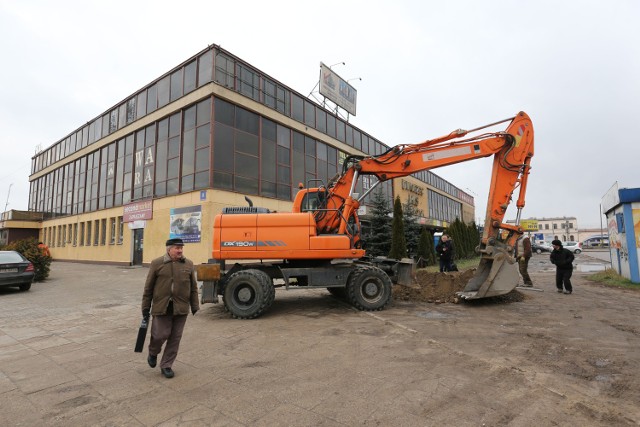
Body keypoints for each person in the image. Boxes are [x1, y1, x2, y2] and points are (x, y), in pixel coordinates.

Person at [141, 238, 199, 378]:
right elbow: (148, 287)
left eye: (181, 248)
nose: (180, 250)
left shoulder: (188, 264)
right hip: (162, 307)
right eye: (177, 248)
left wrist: (195, 305)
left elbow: (193, 287)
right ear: (169, 249)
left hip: (181, 308)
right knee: (159, 335)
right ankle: (153, 352)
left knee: (175, 338)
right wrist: (145, 307)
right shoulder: (157, 263)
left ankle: (166, 365)